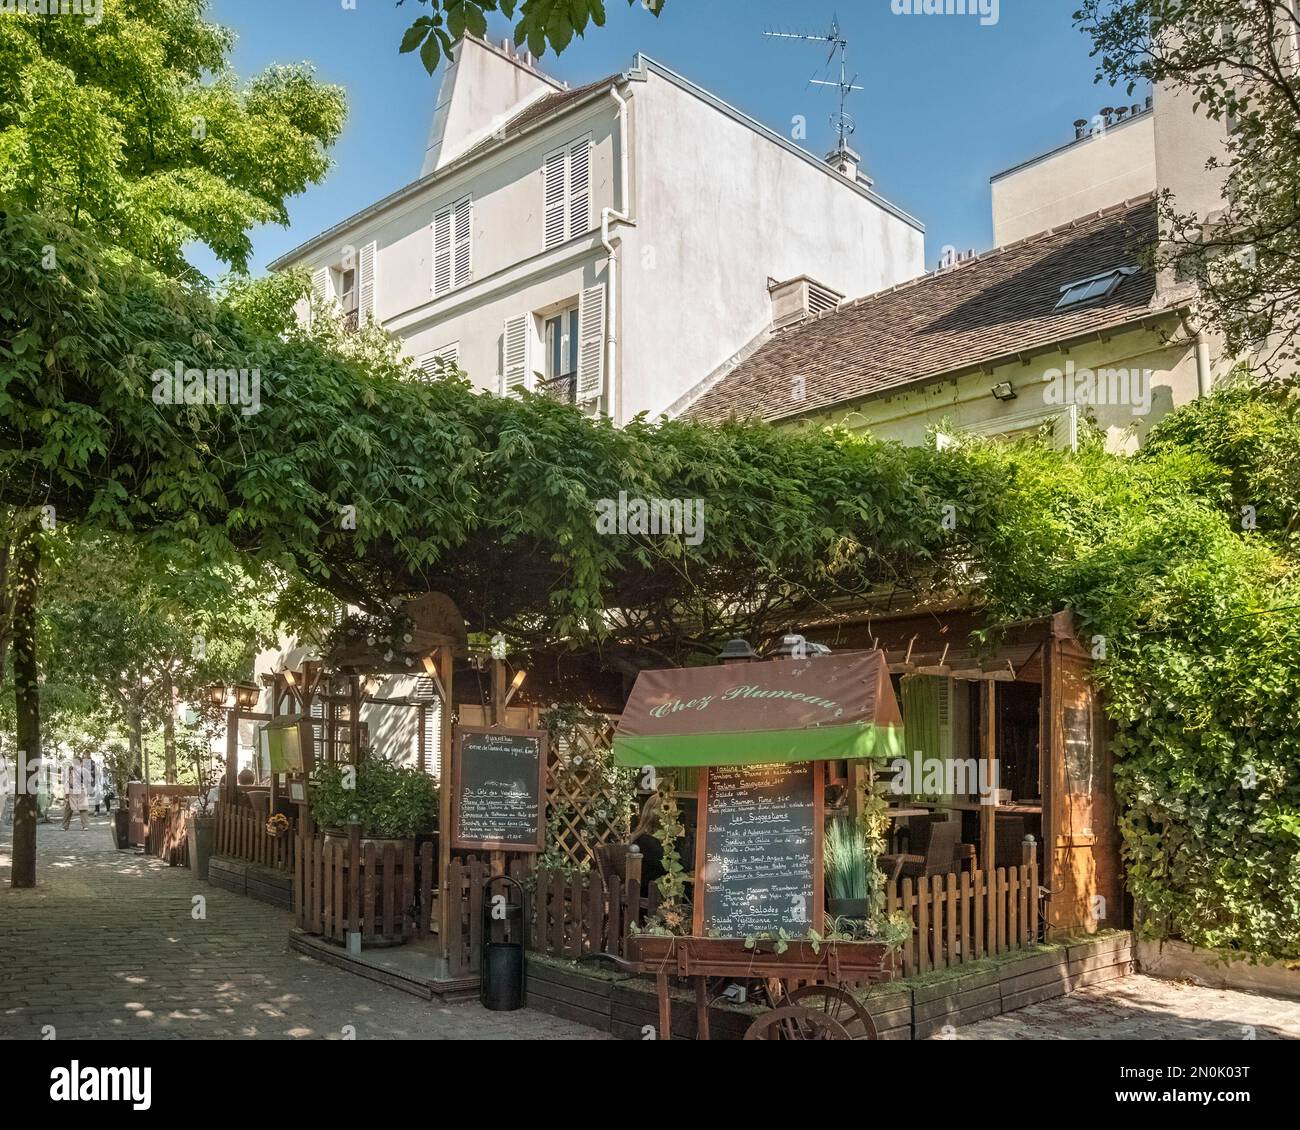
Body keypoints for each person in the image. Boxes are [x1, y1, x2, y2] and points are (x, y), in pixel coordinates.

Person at [62, 756, 89, 831]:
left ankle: (85, 825)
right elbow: (66, 781)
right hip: (71, 790)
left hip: (81, 790)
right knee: (68, 809)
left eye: (77, 762)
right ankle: (65, 826)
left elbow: (87, 782)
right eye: (74, 762)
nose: (75, 764)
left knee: (83, 809)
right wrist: (66, 793)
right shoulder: (69, 770)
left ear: (81, 763)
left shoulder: (85, 771)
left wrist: (86, 791)